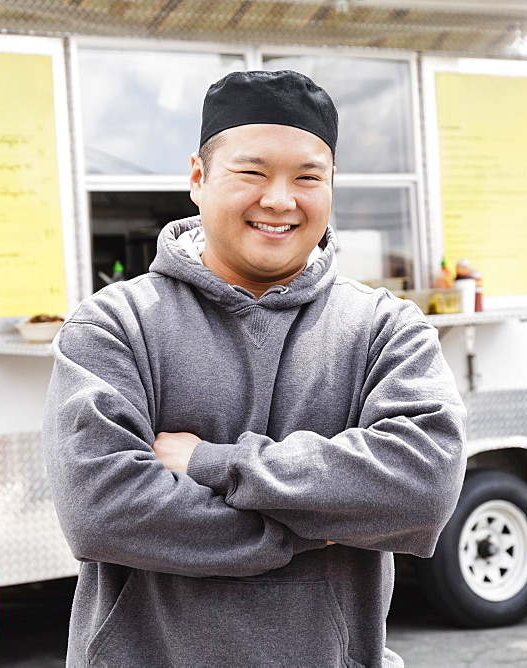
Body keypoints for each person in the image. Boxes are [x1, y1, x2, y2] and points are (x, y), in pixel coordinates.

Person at [44, 69, 467, 667]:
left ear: (330, 186)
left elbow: (423, 489)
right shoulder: (115, 325)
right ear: (198, 177)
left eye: (307, 177)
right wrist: (307, 529)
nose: (279, 199)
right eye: (252, 172)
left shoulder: (384, 330)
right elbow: (102, 511)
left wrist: (210, 462)